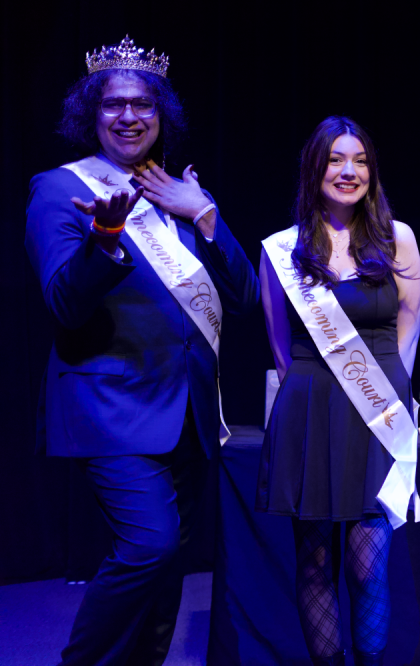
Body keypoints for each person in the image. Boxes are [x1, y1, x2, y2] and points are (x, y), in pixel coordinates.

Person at [24, 36, 259, 666]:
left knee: (168, 571)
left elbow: (243, 298)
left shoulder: (174, 194)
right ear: (91, 116)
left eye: (143, 106)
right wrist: (103, 238)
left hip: (188, 413)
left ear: (162, 117)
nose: (129, 117)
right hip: (110, 404)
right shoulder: (58, 189)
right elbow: (63, 303)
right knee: (150, 546)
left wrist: (206, 215)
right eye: (113, 106)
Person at [257, 117, 420, 666]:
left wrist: (390, 397)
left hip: (377, 409)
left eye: (359, 160)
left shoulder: (398, 238)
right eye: (335, 159)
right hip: (310, 405)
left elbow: (409, 325)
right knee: (313, 560)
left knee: (367, 562)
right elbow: (280, 347)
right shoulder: (283, 249)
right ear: (314, 169)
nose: (348, 171)